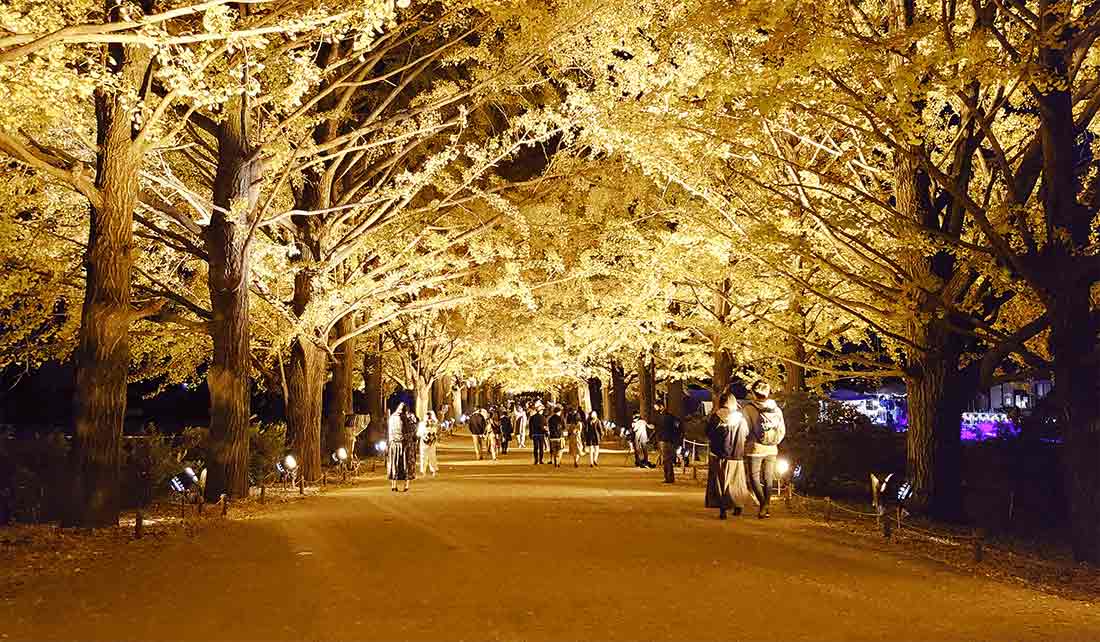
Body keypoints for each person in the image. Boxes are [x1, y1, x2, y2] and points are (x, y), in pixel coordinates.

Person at [742, 381, 786, 519]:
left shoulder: (748, 409)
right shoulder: (777, 409)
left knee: (754, 478)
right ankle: (766, 507)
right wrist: (774, 441)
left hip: (754, 448)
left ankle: (763, 505)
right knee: (768, 478)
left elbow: (745, 429)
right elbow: (782, 430)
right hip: (772, 449)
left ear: (754, 393)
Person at [704, 392, 751, 518]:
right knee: (737, 482)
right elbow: (746, 433)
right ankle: (738, 506)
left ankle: (723, 508)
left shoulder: (717, 417)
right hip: (737, 454)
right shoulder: (740, 419)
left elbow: (709, 433)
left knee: (721, 482)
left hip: (720, 454)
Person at [656, 402, 683, 483]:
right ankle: (669, 476)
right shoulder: (668, 417)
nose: (656, 409)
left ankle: (669, 477)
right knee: (667, 459)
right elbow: (678, 427)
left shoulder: (666, 417)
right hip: (667, 439)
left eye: (657, 407)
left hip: (666, 440)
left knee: (667, 459)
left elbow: (677, 427)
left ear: (661, 407)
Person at [387, 402, 412, 492]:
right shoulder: (405, 418)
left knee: (394, 464)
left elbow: (389, 432)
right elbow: (409, 432)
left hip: (393, 444)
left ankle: (394, 485)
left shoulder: (392, 418)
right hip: (404, 445)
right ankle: (406, 486)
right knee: (406, 464)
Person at [418, 411, 440, 476]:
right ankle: (426, 471)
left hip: (430, 442)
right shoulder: (424, 424)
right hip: (426, 442)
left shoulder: (434, 424)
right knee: (428, 456)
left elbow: (419, 433)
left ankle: (427, 471)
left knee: (429, 456)